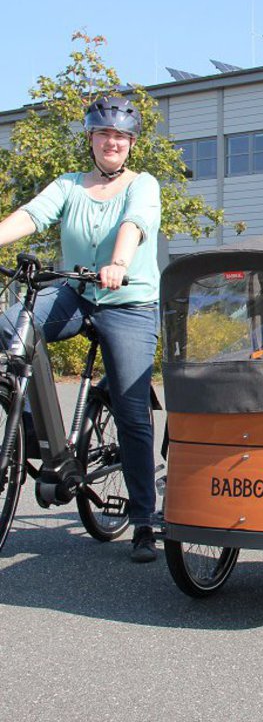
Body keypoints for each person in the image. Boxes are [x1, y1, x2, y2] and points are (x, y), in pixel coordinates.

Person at [0, 96, 162, 563]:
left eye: (121, 137)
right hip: (75, 292)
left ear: (130, 144)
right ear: (90, 139)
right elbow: (32, 214)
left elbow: (136, 223)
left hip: (127, 300)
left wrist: (117, 263)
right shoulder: (69, 185)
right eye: (103, 134)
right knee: (11, 329)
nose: (112, 142)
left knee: (132, 412)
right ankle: (33, 428)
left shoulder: (142, 184)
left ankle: (144, 520)